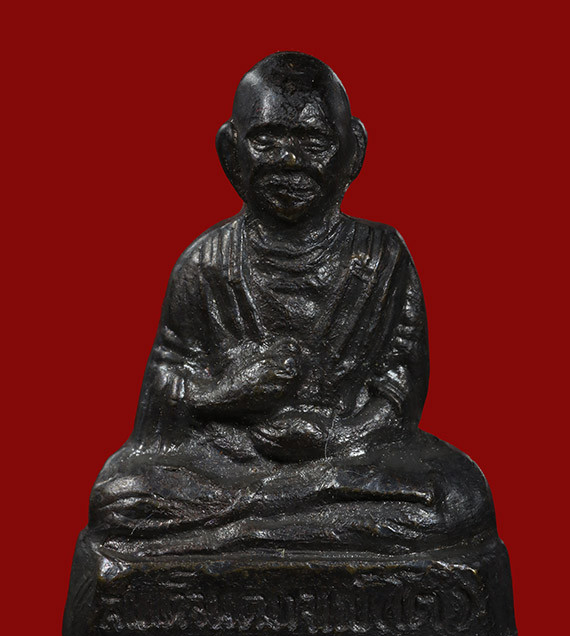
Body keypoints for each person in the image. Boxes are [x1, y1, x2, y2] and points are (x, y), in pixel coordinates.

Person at [89, 52, 496, 557]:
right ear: (230, 151)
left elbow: (399, 385)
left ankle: (240, 525)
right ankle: (277, 518)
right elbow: (163, 394)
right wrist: (227, 394)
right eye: (266, 141)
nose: (288, 160)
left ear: (354, 151)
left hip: (346, 455)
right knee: (123, 496)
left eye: (313, 143)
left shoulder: (380, 256)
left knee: (454, 496)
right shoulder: (206, 263)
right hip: (233, 456)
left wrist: (337, 435)